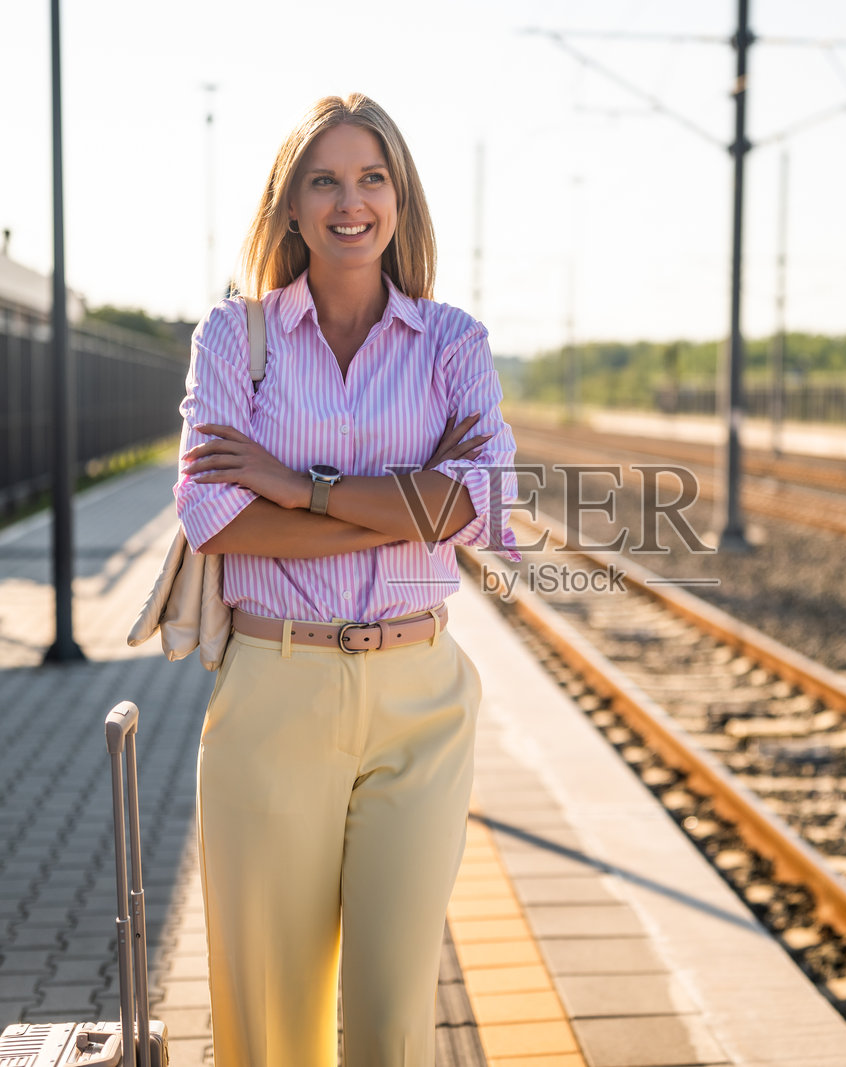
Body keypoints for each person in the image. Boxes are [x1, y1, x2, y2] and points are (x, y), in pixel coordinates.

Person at [173, 93, 521, 1067]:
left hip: (420, 700)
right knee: (268, 1016)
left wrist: (299, 488)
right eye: (323, 179)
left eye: (372, 178)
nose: (349, 201)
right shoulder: (233, 339)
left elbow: (477, 504)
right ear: (289, 206)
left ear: (401, 201)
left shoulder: (452, 342)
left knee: (392, 1010)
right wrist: (401, 504)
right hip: (272, 691)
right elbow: (215, 518)